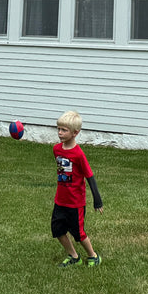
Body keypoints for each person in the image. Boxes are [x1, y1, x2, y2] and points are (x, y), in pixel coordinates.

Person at [52, 110, 103, 267]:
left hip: (75, 202)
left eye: (64, 130)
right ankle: (74, 256)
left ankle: (93, 256)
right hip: (60, 200)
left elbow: (89, 176)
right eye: (59, 129)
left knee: (79, 234)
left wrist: (97, 200)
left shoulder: (79, 154)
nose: (60, 133)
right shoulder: (56, 149)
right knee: (57, 230)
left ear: (75, 133)